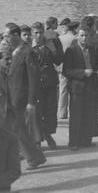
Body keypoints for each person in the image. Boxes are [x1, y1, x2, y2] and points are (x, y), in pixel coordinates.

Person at [3, 24, 46, 169]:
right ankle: (34, 156)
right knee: (16, 128)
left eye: (7, 36)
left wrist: (31, 102)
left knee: (18, 128)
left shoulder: (28, 52)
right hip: (13, 96)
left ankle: (33, 157)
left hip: (21, 98)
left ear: (15, 35)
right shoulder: (15, 51)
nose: (6, 39)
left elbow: (33, 78)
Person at [63, 26, 98, 150]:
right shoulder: (71, 51)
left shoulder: (92, 50)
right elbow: (66, 71)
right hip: (77, 87)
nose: (84, 38)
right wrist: (82, 72)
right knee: (76, 116)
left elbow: (95, 65)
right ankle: (73, 142)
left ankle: (86, 140)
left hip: (90, 86)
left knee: (88, 114)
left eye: (86, 35)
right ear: (77, 36)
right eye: (81, 35)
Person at [30, 21, 63, 150]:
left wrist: (53, 49)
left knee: (50, 110)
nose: (39, 35)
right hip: (36, 83)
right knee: (38, 111)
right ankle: (37, 139)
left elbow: (59, 60)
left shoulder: (50, 45)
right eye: (36, 33)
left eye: (41, 32)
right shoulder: (29, 48)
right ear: (32, 35)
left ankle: (48, 135)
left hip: (49, 81)